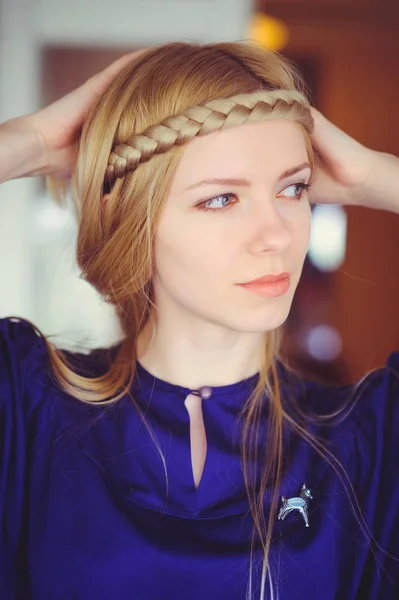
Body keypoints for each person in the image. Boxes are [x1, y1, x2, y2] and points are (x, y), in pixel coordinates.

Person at [0, 42, 398, 600]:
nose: (278, 235)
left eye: (294, 188)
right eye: (221, 199)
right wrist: (31, 145)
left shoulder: (368, 440)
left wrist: (373, 176)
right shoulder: (25, 405)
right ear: (133, 218)